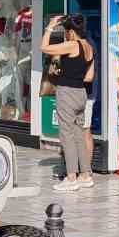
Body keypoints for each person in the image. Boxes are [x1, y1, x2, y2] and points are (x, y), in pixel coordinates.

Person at [42, 15, 94, 192]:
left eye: (66, 31)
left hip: (67, 93)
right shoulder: (89, 47)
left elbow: (45, 47)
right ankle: (85, 175)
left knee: (67, 136)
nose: (65, 35)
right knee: (79, 135)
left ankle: (71, 177)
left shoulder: (73, 45)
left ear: (71, 32)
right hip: (81, 94)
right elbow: (89, 76)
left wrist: (50, 27)